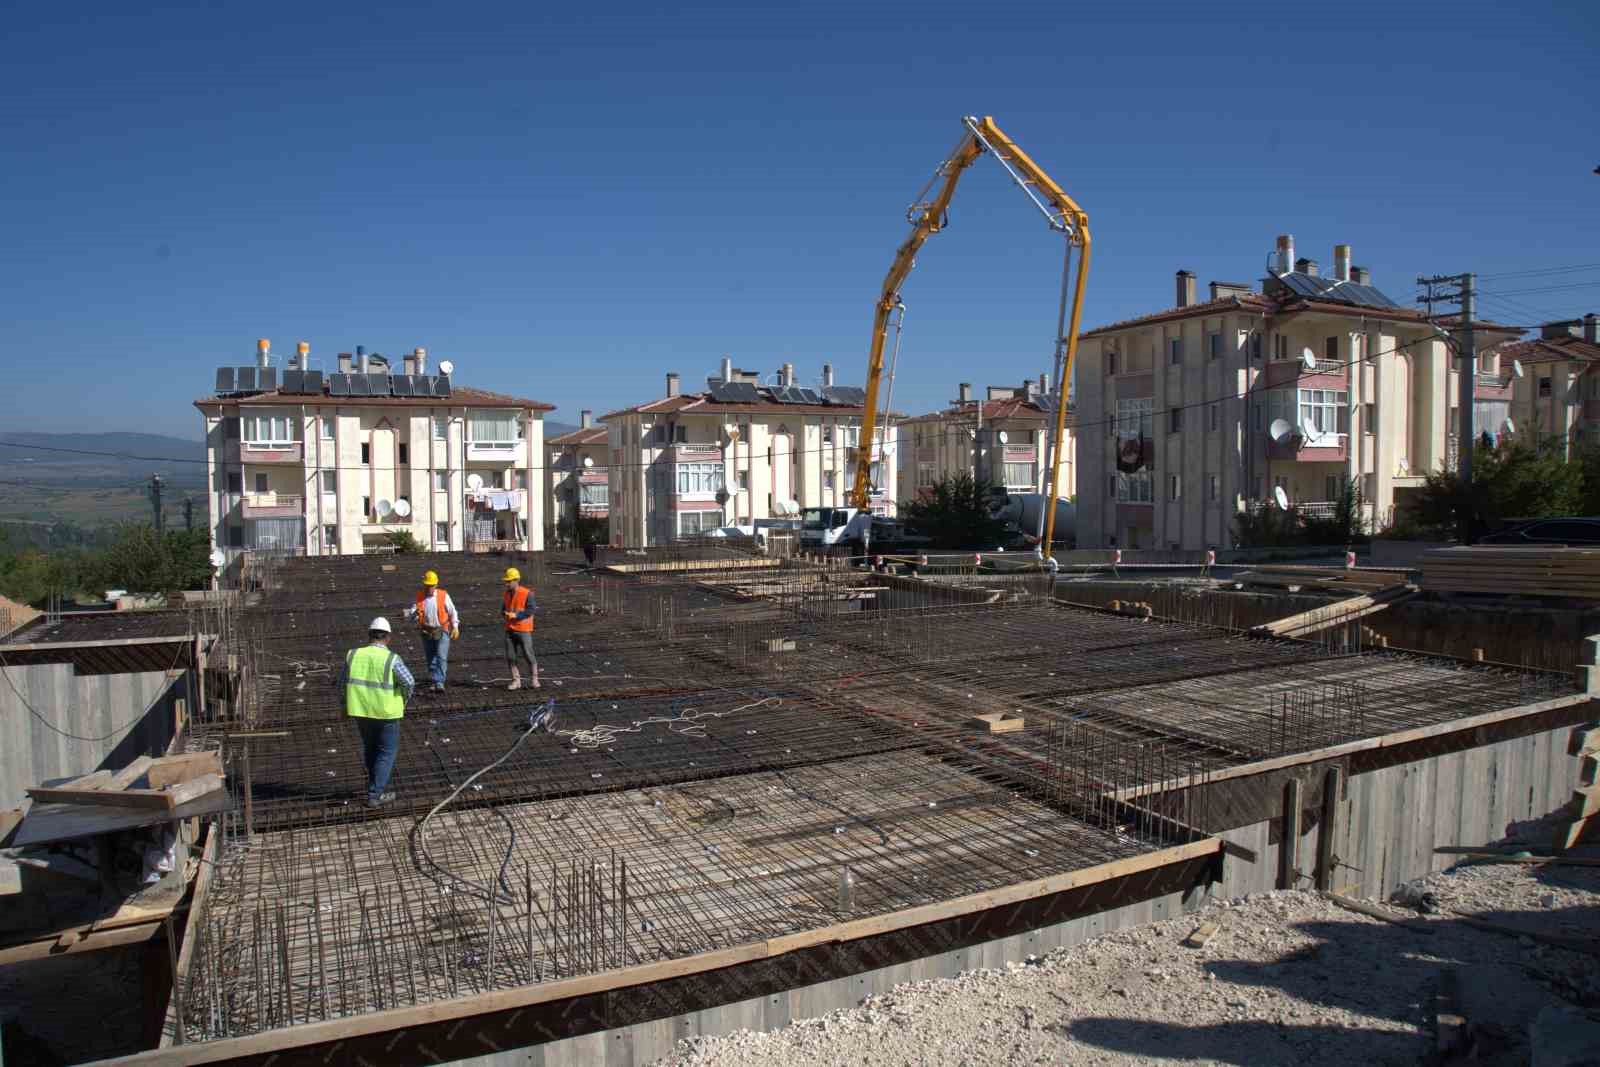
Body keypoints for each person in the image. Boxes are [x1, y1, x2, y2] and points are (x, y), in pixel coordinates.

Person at [335, 617, 414, 809]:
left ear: (370, 635)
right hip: (387, 714)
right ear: (388, 638)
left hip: (361, 712)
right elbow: (409, 682)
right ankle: (374, 794)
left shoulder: (353, 655)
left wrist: (344, 706)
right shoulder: (392, 659)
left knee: (370, 749)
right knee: (386, 753)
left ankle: (373, 785)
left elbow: (341, 683)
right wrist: (403, 700)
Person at [402, 569, 459, 692]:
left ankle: (439, 681)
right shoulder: (420, 596)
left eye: (431, 586)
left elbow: (452, 611)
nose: (429, 588)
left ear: (436, 585)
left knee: (441, 656)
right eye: (427, 585)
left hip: (442, 629)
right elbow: (413, 613)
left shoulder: (443, 595)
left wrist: (455, 626)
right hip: (426, 631)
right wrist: (414, 613)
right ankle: (434, 679)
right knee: (431, 657)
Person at [502, 566, 540, 690]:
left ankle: (534, 679)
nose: (506, 583)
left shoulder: (527, 593)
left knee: (528, 654)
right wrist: (505, 614)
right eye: (506, 581)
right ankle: (516, 681)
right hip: (510, 629)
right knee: (511, 656)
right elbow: (503, 608)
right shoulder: (506, 594)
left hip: (523, 629)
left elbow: (531, 610)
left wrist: (517, 615)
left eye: (508, 581)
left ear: (516, 580)